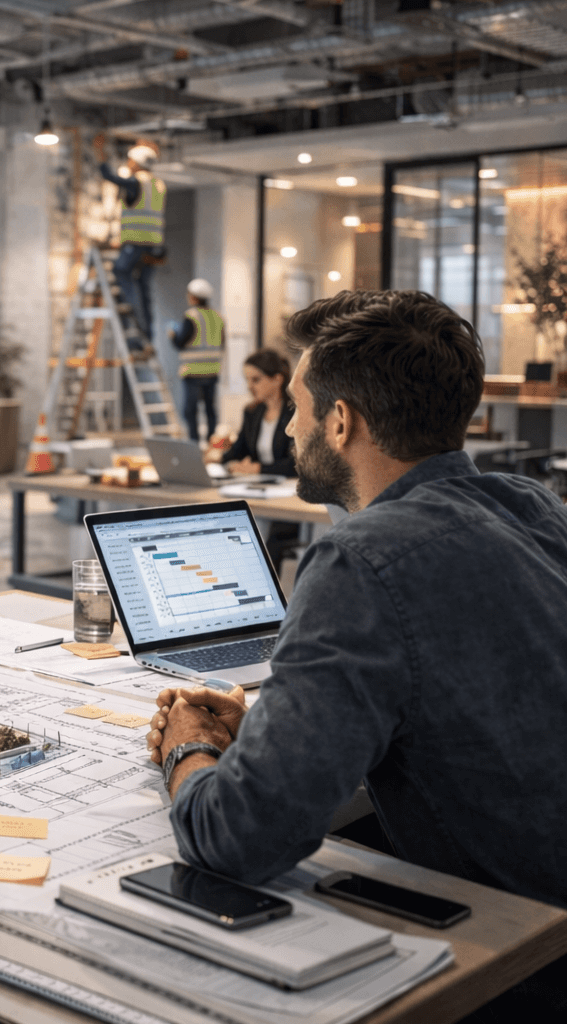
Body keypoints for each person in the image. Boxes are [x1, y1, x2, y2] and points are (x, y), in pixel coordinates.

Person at [146, 290, 567, 1016]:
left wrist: (188, 746)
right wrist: (282, 733)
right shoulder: (530, 508)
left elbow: (238, 837)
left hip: (515, 960)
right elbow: (468, 701)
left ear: (340, 422)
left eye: (298, 407)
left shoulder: (361, 560)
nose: (285, 425)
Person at [99, 143, 166, 351]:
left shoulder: (135, 182)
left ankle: (136, 337)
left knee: (123, 275)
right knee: (144, 289)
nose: (128, 164)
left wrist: (100, 155)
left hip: (135, 243)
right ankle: (147, 337)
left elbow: (110, 177)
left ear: (136, 163)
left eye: (130, 161)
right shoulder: (158, 184)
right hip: (154, 245)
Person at [218, 348, 295, 479]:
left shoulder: (295, 413)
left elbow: (295, 464)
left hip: (288, 486)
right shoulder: (252, 412)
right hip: (258, 484)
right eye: (247, 380)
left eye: (255, 380)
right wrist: (216, 458)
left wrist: (258, 468)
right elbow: (238, 451)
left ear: (277, 379)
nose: (249, 386)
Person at [169, 278, 224, 442]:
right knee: (210, 410)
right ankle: (211, 442)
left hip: (193, 372)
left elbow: (180, 342)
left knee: (190, 410)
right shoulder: (218, 316)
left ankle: (193, 443)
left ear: (193, 297)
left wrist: (172, 336)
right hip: (213, 370)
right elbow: (222, 343)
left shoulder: (191, 316)